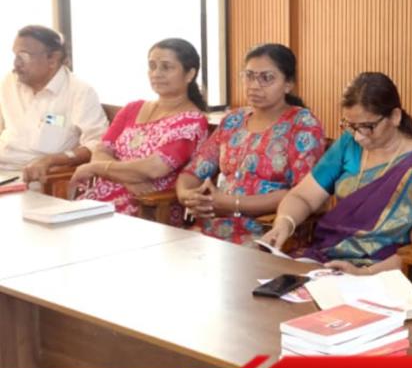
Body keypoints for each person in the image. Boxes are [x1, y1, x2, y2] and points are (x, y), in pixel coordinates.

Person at [259, 72, 412, 273]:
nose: (358, 137)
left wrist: (365, 273)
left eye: (367, 127)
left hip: (381, 272)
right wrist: (284, 223)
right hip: (324, 259)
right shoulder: (349, 144)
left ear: (395, 116)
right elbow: (303, 196)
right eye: (350, 126)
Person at [176, 44, 324, 245]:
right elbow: (193, 172)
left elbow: (302, 193)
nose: (254, 85)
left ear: (288, 84)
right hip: (213, 225)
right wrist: (188, 196)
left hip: (265, 231)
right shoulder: (233, 120)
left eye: (266, 78)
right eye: (249, 76)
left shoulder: (303, 124)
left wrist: (233, 203)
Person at [69, 39, 208, 223]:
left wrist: (96, 168)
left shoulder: (191, 120)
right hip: (99, 202)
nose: (156, 73)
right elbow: (100, 152)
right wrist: (129, 180)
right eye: (152, 66)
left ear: (190, 74)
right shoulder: (133, 108)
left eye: (166, 67)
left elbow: (154, 168)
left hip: (147, 208)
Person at [0, 26, 108, 185]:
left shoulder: (79, 92)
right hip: (4, 172)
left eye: (23, 56)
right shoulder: (10, 82)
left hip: (41, 178)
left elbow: (97, 143)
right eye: (15, 55)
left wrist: (51, 160)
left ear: (52, 59)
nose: (16, 63)